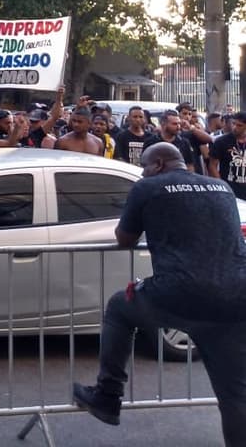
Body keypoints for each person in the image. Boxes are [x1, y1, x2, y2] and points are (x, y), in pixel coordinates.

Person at [74, 143, 246, 445]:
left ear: (159, 164)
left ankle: (107, 395)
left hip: (179, 292)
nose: (142, 172)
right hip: (235, 295)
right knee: (234, 394)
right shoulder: (221, 187)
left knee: (119, 307)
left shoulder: (148, 187)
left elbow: (125, 239)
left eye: (144, 166)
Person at [209, 111, 246, 200]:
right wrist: (222, 186)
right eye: (233, 123)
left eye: (239, 125)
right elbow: (212, 166)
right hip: (229, 189)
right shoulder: (222, 141)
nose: (235, 127)